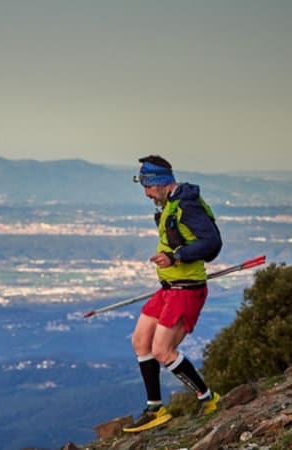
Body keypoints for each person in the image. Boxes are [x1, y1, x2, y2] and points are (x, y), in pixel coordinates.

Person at [123, 155, 223, 433]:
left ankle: (210, 398)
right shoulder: (172, 204)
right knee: (140, 341)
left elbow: (212, 244)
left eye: (147, 186)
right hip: (168, 289)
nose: (145, 193)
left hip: (186, 291)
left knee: (163, 351)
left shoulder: (187, 205)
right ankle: (156, 407)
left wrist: (176, 256)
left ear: (160, 182)